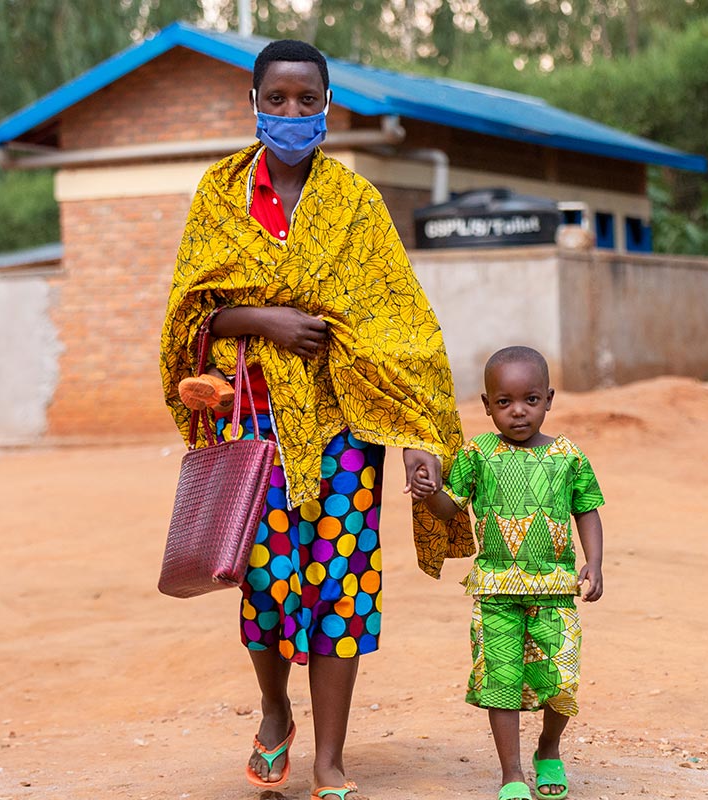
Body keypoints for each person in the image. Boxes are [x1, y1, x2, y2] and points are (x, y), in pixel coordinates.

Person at [159, 39, 473, 800]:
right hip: (252, 429)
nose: (292, 113)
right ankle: (274, 712)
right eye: (278, 99)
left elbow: (397, 327)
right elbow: (188, 313)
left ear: (328, 106)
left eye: (307, 100)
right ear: (255, 104)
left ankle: (330, 758)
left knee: (342, 586)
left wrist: (411, 438)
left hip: (343, 429)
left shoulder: (355, 205)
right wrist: (264, 319)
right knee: (264, 584)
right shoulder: (220, 194)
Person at [411, 346, 605, 800]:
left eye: (531, 400)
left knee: (560, 678)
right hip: (495, 589)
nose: (518, 412)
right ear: (487, 405)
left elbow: (588, 510)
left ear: (549, 399)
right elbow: (448, 509)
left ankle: (549, 748)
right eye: (505, 402)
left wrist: (593, 563)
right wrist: (429, 491)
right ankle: (512, 774)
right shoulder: (477, 454)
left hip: (555, 591)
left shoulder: (568, 456)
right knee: (500, 678)